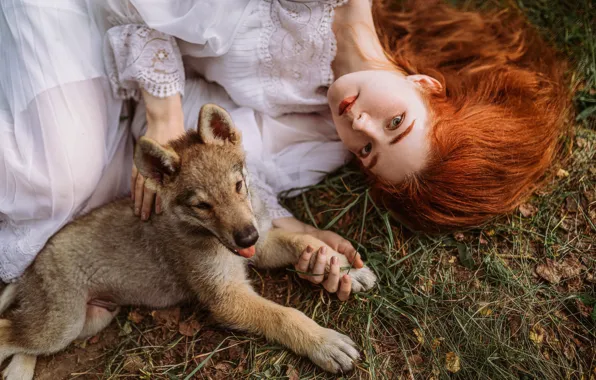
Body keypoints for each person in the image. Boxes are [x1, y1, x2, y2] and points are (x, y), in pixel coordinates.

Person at [0, 0, 571, 298]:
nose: (360, 124)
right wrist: (165, 112)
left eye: (370, 151)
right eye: (395, 121)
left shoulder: (332, 138)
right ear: (426, 86)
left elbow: (242, 171)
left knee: (92, 195)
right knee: (48, 179)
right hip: (102, 15)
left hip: (123, 67)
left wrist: (300, 238)